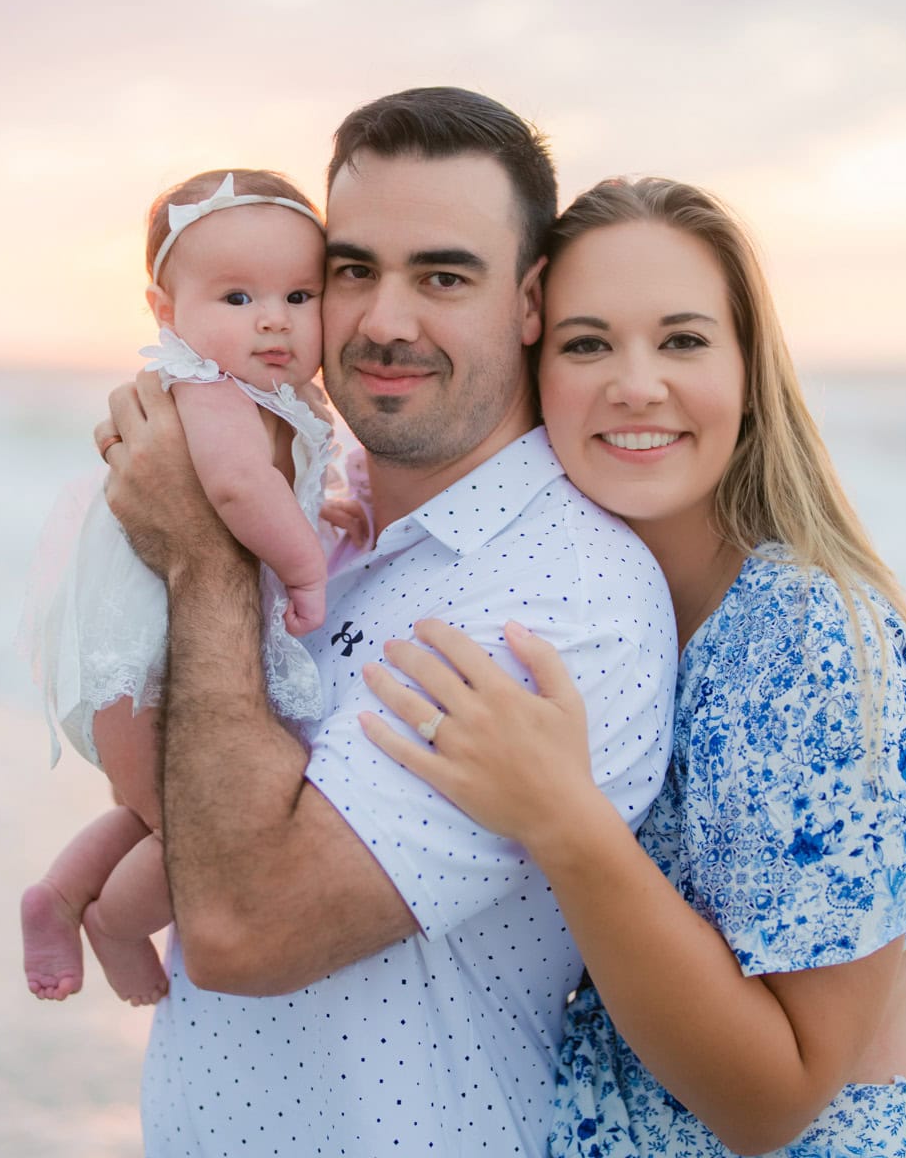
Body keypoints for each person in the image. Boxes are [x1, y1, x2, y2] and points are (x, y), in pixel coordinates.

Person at [361, 177, 906, 1157]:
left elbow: (772, 1103)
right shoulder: (612, 618)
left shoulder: (798, 634)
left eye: (684, 340)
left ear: (751, 371)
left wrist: (561, 819)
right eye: (587, 343)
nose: (636, 383)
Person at [95, 89, 678, 1154]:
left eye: (443, 276)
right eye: (353, 271)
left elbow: (243, 925)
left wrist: (201, 554)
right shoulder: (326, 516)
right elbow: (193, 803)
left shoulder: (559, 596)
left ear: (533, 297)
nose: (383, 321)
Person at [18, 169, 336, 1007]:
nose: (273, 318)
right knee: (198, 825)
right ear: (166, 312)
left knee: (160, 807)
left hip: (156, 650)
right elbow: (238, 490)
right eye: (237, 298)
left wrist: (323, 506)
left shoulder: (276, 395)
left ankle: (58, 893)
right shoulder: (211, 390)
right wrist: (306, 565)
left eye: (300, 295)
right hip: (150, 656)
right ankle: (117, 923)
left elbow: (278, 487)